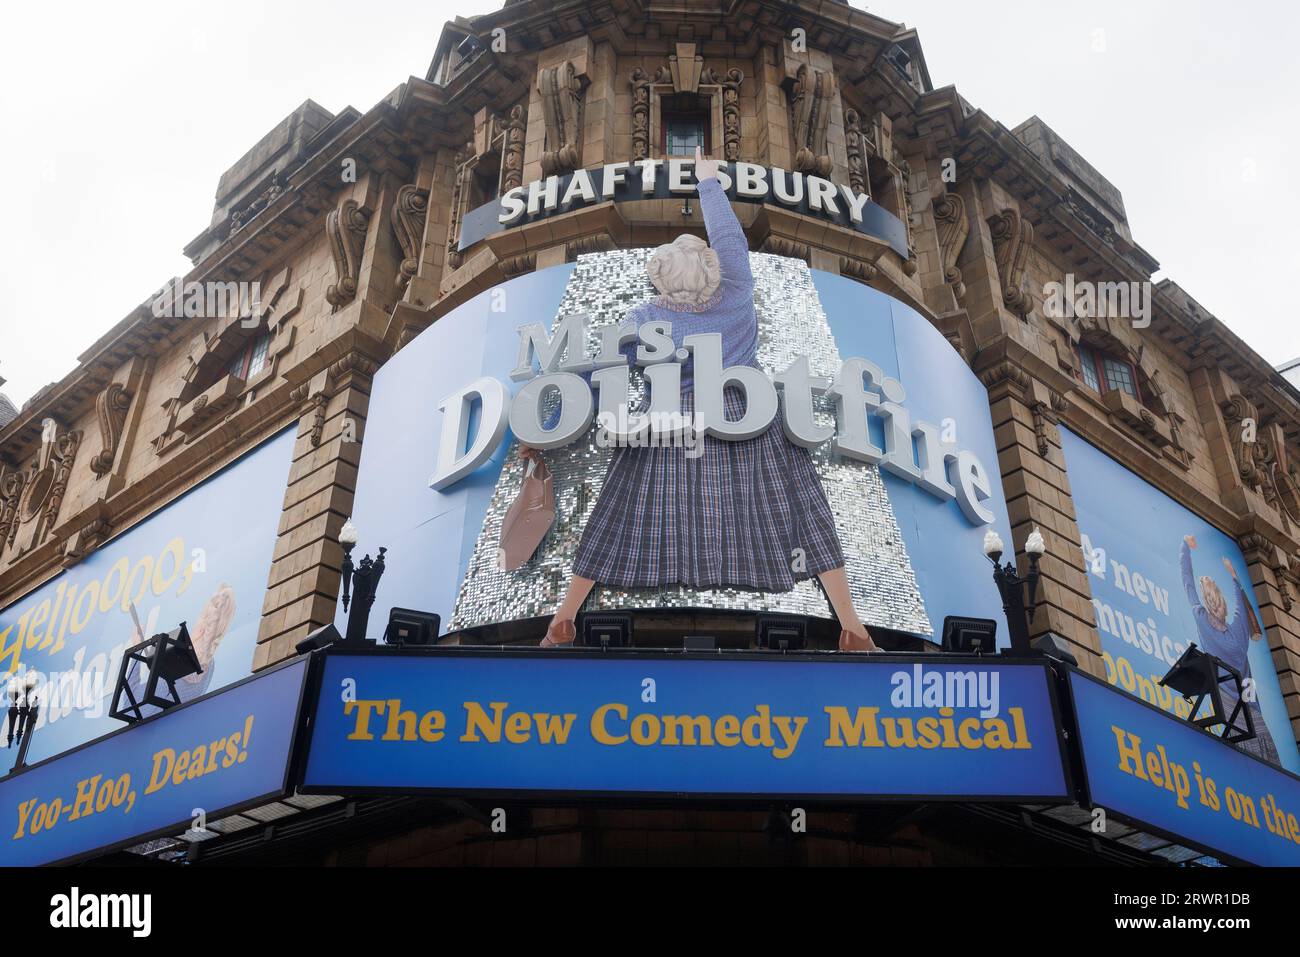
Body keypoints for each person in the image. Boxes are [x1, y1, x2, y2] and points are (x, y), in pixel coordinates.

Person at [522, 148, 878, 652]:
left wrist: (543, 432)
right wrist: (708, 181)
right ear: (710, 269)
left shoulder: (645, 318)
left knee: (619, 505)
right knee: (803, 504)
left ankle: (564, 619)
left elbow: (597, 378)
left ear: (661, 279)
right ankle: (852, 625)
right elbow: (731, 238)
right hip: (748, 413)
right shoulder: (736, 293)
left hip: (672, 422)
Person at [1181, 535, 1279, 763]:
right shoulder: (1239, 632)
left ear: (1206, 602)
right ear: (1223, 604)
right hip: (1256, 719)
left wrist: (1185, 548)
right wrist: (1234, 577)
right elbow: (1241, 607)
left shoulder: (1202, 620)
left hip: (1230, 712)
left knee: (1243, 770)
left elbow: (1187, 581)